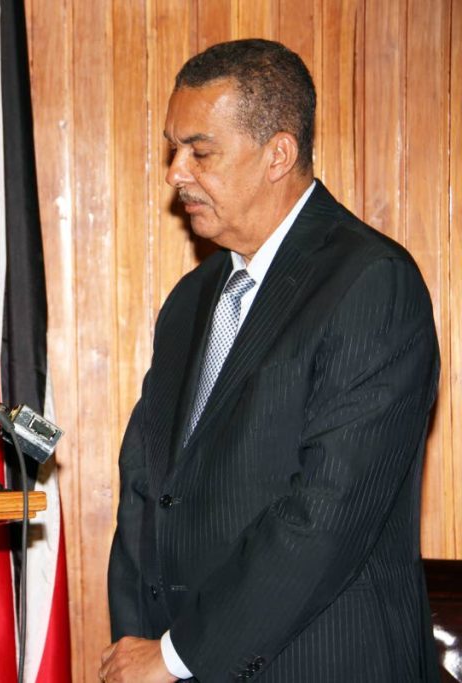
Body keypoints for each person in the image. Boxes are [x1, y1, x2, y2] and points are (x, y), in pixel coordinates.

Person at [100, 39, 440, 682]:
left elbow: (327, 513)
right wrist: (141, 644)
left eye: (200, 151)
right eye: (173, 149)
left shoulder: (370, 282)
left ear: (278, 154)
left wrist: (176, 656)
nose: (176, 171)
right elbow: (147, 488)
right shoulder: (193, 298)